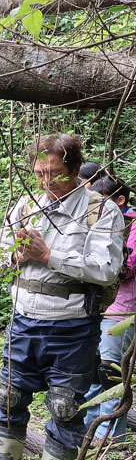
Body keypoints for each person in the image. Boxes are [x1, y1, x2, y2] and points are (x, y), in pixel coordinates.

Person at [0, 134, 124, 460]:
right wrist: (14, 256)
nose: (45, 182)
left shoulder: (100, 210)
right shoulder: (26, 203)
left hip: (73, 327)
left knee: (65, 408)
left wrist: (49, 254)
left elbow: (107, 269)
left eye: (54, 173)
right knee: (9, 399)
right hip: (23, 321)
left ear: (73, 169)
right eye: (39, 172)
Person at [84, 177, 136, 444]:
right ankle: (90, 427)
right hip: (99, 307)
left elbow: (126, 268)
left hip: (122, 309)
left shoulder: (133, 225)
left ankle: (110, 435)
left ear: (120, 201)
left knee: (110, 371)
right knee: (94, 368)